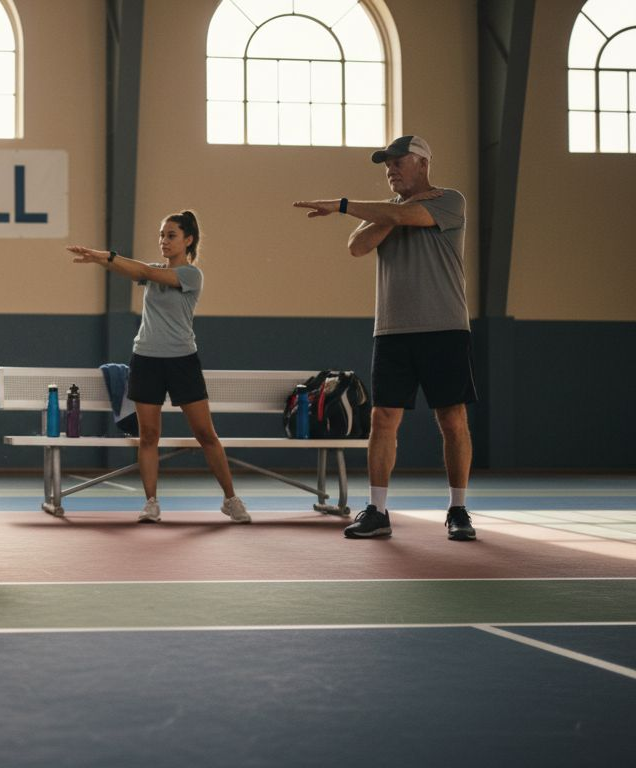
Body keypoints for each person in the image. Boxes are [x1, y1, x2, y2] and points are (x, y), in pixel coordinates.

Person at [293, 135, 477, 542]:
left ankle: (458, 509)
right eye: (386, 164)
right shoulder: (387, 213)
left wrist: (342, 205)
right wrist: (385, 215)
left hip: (445, 328)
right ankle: (377, 510)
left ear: (423, 163)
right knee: (382, 419)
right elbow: (357, 246)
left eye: (398, 162)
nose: (389, 169)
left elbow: (413, 217)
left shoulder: (450, 200)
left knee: (452, 419)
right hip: (393, 330)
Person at [67, 211, 251, 525]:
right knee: (149, 435)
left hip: (183, 362)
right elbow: (131, 269)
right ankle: (151, 502)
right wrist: (101, 258)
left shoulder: (192, 276)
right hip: (146, 360)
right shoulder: (150, 270)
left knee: (206, 434)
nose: (164, 241)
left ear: (188, 240)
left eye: (171, 236)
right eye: (162, 235)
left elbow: (143, 272)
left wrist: (108, 256)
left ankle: (231, 499)